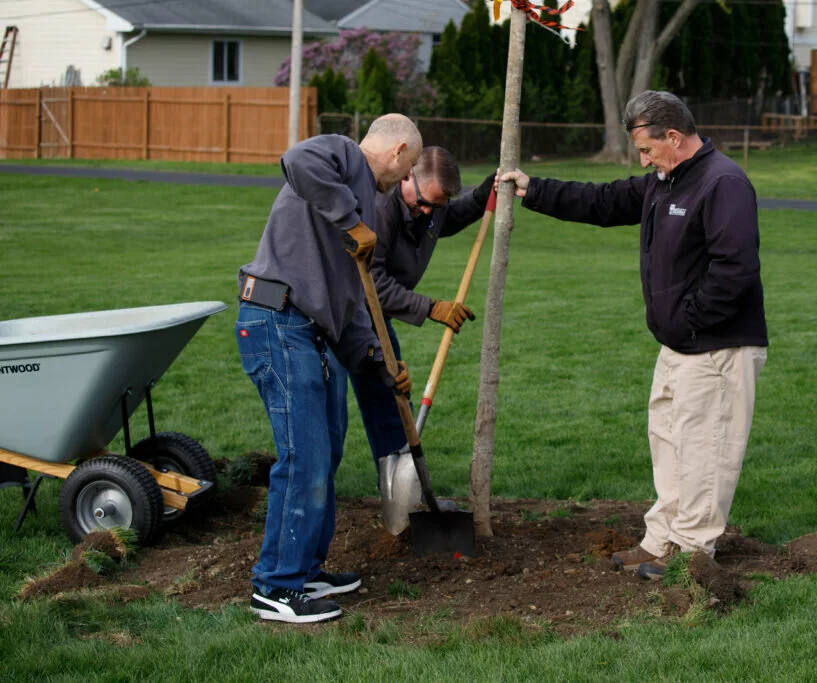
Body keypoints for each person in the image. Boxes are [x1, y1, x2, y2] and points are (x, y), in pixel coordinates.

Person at [499, 91, 768, 579]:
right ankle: (661, 540)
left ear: (674, 136)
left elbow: (736, 268)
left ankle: (692, 554)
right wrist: (532, 188)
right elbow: (602, 201)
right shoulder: (666, 182)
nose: (643, 161)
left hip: (716, 347)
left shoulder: (722, 182)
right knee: (668, 445)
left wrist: (689, 318)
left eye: (647, 150)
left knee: (704, 448)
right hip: (677, 346)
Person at [235, 115, 422, 623]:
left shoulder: (368, 208)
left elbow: (348, 307)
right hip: (276, 321)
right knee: (305, 458)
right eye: (409, 166)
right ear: (399, 150)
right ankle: (275, 587)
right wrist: (351, 218)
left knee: (326, 450)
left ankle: (306, 569)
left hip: (310, 331)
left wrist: (381, 365)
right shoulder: (342, 154)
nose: (405, 176)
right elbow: (296, 161)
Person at [350, 146, 495, 465]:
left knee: (394, 403)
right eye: (426, 203)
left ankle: (400, 494)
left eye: (437, 204)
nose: (429, 212)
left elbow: (449, 217)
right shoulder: (381, 210)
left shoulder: (427, 206)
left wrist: (485, 193)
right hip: (346, 317)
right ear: (408, 175)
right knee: (334, 414)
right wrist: (432, 308)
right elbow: (371, 284)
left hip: (378, 322)